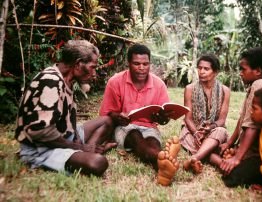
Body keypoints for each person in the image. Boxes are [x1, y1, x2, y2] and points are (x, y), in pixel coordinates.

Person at [15, 40, 117, 176]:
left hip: (64, 136)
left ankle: (88, 149)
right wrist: (79, 147)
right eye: (92, 67)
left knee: (107, 121)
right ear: (78, 64)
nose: (94, 74)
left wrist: (78, 140)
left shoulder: (66, 79)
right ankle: (86, 151)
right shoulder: (51, 81)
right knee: (98, 163)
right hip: (41, 148)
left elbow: (68, 118)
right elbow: (41, 132)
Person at [99, 44, 180, 186]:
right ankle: (160, 159)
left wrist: (162, 118)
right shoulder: (115, 82)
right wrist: (118, 117)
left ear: (150, 64)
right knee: (135, 136)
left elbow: (163, 117)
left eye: (145, 64)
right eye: (136, 63)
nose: (141, 68)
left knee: (153, 141)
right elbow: (107, 113)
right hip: (124, 127)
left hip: (150, 127)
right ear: (128, 63)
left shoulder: (159, 84)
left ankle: (162, 164)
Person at [209, 47, 262, 187]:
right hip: (253, 149)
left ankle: (226, 163)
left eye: (243, 69)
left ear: (258, 71)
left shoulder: (259, 85)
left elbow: (252, 127)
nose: (240, 73)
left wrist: (237, 158)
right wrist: (229, 143)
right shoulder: (258, 84)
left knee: (232, 177)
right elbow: (242, 120)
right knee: (217, 150)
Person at [180, 53, 230, 174]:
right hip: (193, 131)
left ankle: (195, 158)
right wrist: (197, 133)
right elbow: (188, 119)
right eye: (199, 68)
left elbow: (222, 121)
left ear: (216, 72)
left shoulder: (225, 90)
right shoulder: (190, 88)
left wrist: (211, 127)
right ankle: (220, 163)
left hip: (214, 131)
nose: (201, 71)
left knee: (221, 131)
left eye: (206, 69)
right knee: (207, 145)